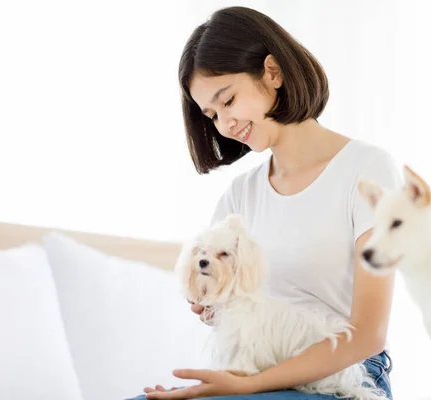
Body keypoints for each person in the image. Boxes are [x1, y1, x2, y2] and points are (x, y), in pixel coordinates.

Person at [131, 5, 403, 400]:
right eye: (210, 115)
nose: (223, 125)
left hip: (348, 378)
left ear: (272, 72)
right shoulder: (240, 196)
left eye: (227, 101)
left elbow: (368, 334)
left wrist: (249, 384)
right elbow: (230, 307)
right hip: (259, 371)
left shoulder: (369, 171)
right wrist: (210, 304)